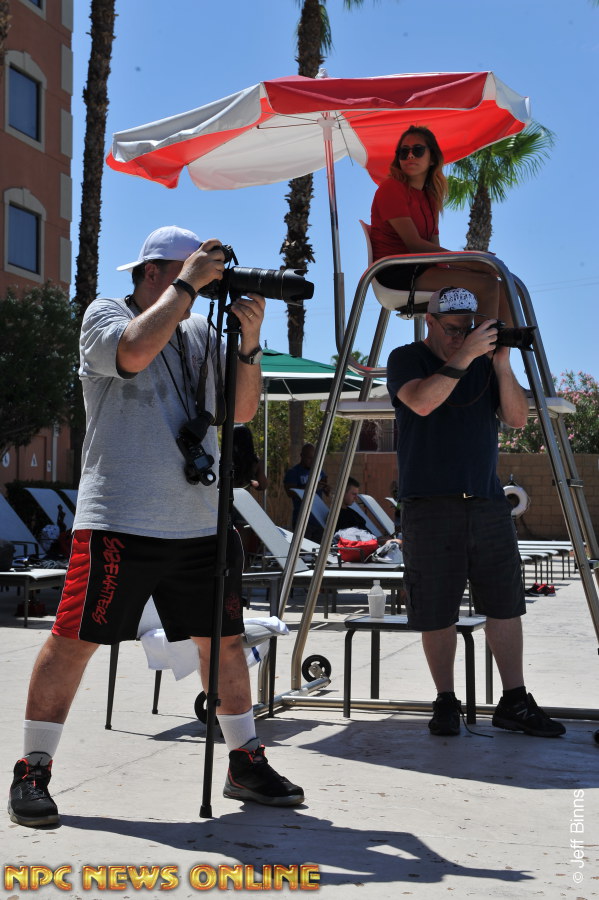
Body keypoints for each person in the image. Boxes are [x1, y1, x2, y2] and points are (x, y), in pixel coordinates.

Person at [8, 226, 304, 829]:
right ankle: (32, 768)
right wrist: (189, 286)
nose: (208, 284)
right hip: (119, 519)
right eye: (193, 271)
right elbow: (134, 353)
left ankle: (244, 761)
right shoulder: (105, 315)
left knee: (223, 641)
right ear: (153, 273)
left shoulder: (201, 332)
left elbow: (241, 411)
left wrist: (249, 344)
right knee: (74, 639)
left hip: (199, 523)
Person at [386, 285, 565, 738]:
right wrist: (467, 354)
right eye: (452, 329)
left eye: (468, 328)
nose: (460, 336)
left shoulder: (484, 363)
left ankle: (514, 701)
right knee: (436, 609)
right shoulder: (407, 358)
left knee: (505, 604)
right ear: (429, 322)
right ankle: (445, 701)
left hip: (486, 501)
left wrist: (501, 362)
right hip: (429, 503)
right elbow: (422, 402)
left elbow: (518, 418)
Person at [370, 125, 511, 323]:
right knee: (486, 285)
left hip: (421, 268)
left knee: (503, 286)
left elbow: (434, 249)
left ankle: (505, 344)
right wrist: (471, 262)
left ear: (432, 158)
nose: (410, 155)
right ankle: (485, 343)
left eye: (418, 150)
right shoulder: (391, 188)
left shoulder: (430, 197)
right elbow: (415, 245)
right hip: (396, 271)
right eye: (404, 152)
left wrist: (470, 267)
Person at [283, 442, 330, 542]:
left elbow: (326, 489)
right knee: (303, 549)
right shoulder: (293, 472)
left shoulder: (318, 471)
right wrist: (311, 487)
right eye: (309, 458)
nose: (312, 461)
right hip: (302, 519)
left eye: (314, 458)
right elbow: (290, 492)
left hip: (319, 519)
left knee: (319, 549)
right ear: (302, 456)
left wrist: (326, 489)